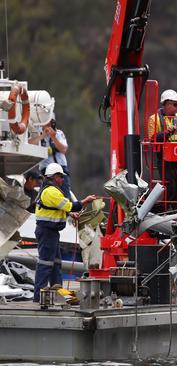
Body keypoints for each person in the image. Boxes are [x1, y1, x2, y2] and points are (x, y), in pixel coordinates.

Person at [33, 163, 96, 302]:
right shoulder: (51, 191)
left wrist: (70, 214)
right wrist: (86, 201)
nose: (63, 180)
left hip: (52, 232)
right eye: (61, 177)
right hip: (47, 232)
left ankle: (59, 294)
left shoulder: (51, 190)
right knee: (45, 264)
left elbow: (56, 208)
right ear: (54, 177)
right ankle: (38, 297)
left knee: (55, 264)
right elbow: (69, 205)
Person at [147, 89, 177, 203]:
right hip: (164, 159)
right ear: (167, 104)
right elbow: (153, 138)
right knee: (171, 184)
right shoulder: (154, 119)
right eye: (175, 104)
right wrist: (167, 133)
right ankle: (169, 207)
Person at [29, 115, 72, 199]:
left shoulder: (59, 133)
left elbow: (63, 149)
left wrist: (53, 137)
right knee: (45, 195)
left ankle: (67, 210)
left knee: (65, 195)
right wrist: (43, 136)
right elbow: (29, 144)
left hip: (61, 169)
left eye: (50, 123)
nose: (48, 125)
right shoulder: (37, 135)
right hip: (46, 170)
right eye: (46, 123)